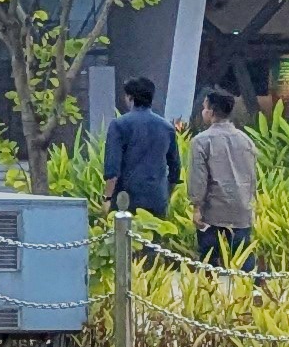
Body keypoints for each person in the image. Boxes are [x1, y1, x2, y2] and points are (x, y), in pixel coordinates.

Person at [186, 89, 259, 265]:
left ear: (211, 111)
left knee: (209, 257)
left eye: (204, 107)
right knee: (243, 256)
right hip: (241, 207)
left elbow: (198, 178)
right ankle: (252, 290)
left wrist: (196, 206)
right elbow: (251, 175)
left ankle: (209, 291)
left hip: (212, 209)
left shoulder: (201, 141)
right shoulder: (245, 139)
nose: (203, 111)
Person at [103, 77, 179, 219]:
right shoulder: (167, 128)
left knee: (123, 239)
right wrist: (165, 195)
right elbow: (175, 169)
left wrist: (107, 198)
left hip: (126, 200)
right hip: (157, 200)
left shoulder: (118, 125)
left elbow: (112, 167)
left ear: (130, 97)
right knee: (153, 241)